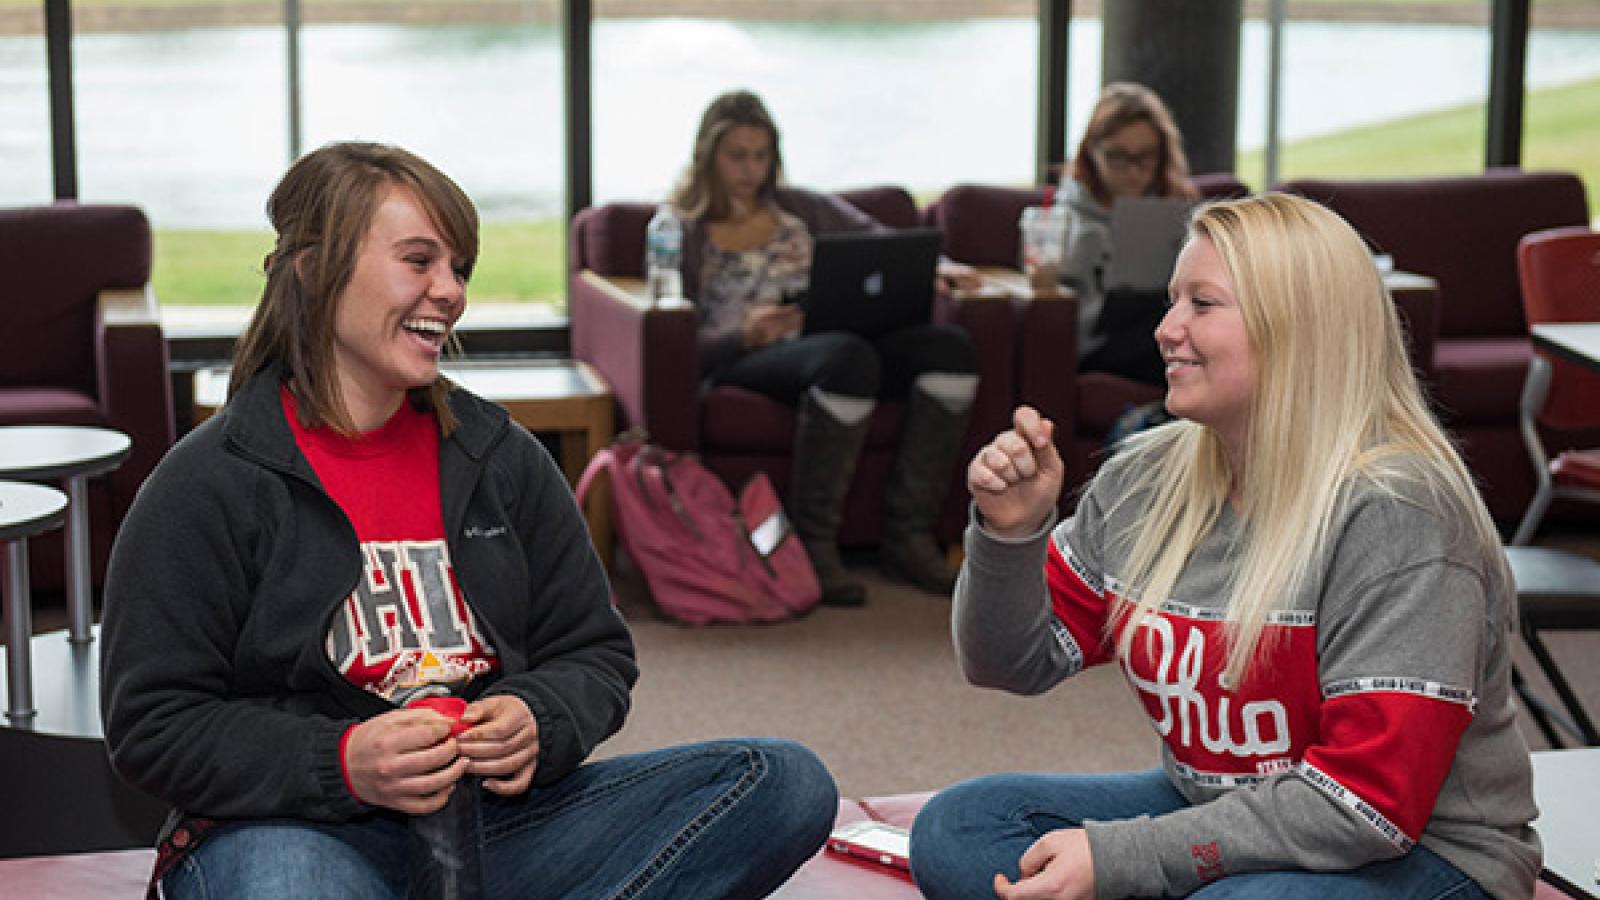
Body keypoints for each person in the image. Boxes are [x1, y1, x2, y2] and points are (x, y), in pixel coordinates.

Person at [99, 141, 837, 900]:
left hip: (494, 824)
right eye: (418, 261)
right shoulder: (208, 483)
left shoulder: (501, 459)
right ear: (314, 270)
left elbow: (595, 653)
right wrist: (341, 759)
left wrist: (536, 714)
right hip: (291, 829)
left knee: (781, 781)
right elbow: (151, 725)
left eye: (459, 269)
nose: (449, 291)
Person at [910, 193, 1540, 900]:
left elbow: (1368, 806)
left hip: (1424, 852)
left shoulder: (1399, 513)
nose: (1166, 329)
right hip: (1228, 808)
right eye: (1171, 300)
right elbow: (1010, 662)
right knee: (961, 829)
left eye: (1201, 305)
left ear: (1296, 327)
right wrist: (1010, 532)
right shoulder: (1147, 475)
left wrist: (1129, 857)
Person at [669, 88, 983, 604]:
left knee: (950, 349)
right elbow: (677, 338)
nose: (750, 169)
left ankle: (910, 535)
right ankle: (815, 543)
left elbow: (884, 245)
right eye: (736, 156)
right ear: (708, 157)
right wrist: (742, 333)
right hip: (747, 357)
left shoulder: (801, 208)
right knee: (849, 358)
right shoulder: (683, 229)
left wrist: (942, 271)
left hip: (832, 341)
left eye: (760, 155)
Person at [1058, 82, 1200, 388]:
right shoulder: (1065, 216)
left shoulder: (1176, 210)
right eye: (1118, 157)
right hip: (1099, 343)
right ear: (1091, 151)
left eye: (1145, 157)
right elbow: (1059, 313)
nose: (1134, 171)